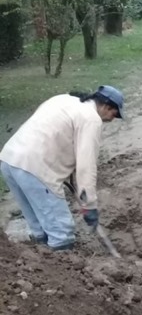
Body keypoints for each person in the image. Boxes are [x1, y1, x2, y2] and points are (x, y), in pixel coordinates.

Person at [0, 86, 125, 250]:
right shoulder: (91, 119)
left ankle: (41, 260)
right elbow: (86, 167)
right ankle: (61, 267)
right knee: (61, 232)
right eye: (114, 115)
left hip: (9, 160)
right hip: (36, 168)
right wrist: (90, 206)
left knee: (38, 226)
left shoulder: (63, 99)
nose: (111, 119)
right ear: (106, 106)